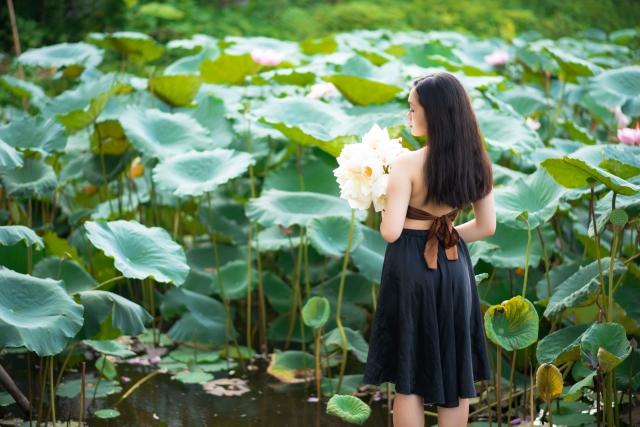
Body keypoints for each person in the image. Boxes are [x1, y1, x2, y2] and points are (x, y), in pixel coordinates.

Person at [362, 72, 496, 427]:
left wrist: (379, 203)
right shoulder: (477, 161)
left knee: (409, 377)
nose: (409, 116)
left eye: (412, 108)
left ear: (433, 114)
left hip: (409, 268)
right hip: (454, 269)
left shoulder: (406, 164)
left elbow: (390, 232)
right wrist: (446, 233)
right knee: (454, 374)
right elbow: (486, 226)